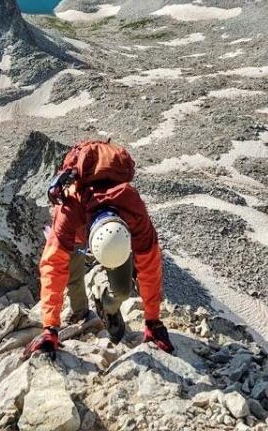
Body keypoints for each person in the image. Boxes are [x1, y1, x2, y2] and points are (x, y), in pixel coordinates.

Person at [23, 140, 175, 359]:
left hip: (112, 238)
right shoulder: (69, 209)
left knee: (122, 290)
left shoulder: (134, 210)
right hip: (75, 233)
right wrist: (50, 329)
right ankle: (81, 313)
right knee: (72, 274)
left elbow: (150, 265)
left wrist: (153, 320)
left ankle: (107, 304)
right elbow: (53, 267)